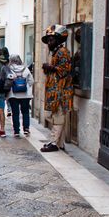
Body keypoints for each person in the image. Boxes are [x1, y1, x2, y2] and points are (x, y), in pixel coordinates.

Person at [40, 24, 73, 152]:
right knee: (56, 115)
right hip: (55, 90)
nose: (49, 42)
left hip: (61, 91)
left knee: (58, 115)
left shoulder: (63, 52)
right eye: (48, 40)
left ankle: (54, 142)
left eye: (51, 39)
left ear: (59, 39)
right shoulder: (55, 52)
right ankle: (60, 143)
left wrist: (51, 67)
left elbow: (65, 70)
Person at [3, 54, 34, 137]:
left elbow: (6, 81)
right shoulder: (26, 69)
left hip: (13, 95)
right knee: (25, 112)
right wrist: (25, 85)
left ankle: (16, 131)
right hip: (25, 95)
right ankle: (26, 129)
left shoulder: (9, 69)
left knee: (15, 113)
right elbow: (31, 81)